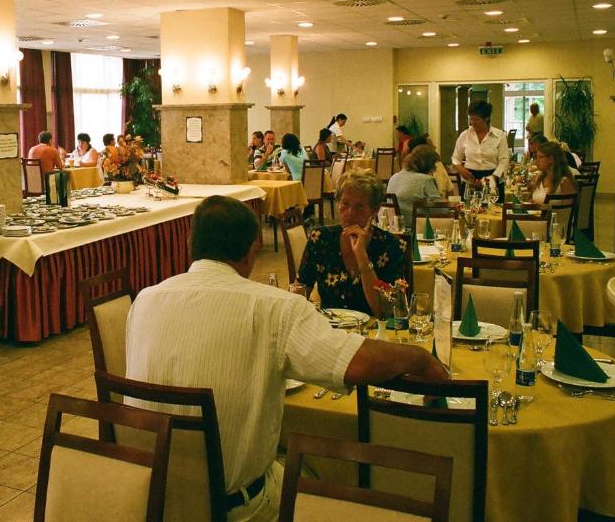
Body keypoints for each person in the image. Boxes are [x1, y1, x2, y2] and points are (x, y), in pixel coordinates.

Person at [126, 196, 447, 522]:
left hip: (151, 500)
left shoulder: (143, 302)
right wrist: (421, 359)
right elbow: (357, 362)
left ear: (190, 243)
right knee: (327, 476)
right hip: (236, 510)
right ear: (251, 250)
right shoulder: (275, 308)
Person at [298, 169, 407, 316]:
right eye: (345, 204)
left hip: (373, 329)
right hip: (329, 327)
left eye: (359, 206)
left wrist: (361, 256)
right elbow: (301, 291)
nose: (350, 213)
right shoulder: (320, 239)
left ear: (375, 210)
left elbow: (385, 312)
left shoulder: (392, 246)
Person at [451, 100, 509, 199]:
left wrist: (493, 177)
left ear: (487, 118)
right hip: (470, 179)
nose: (472, 123)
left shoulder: (499, 136)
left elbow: (504, 160)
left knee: (494, 208)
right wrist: (462, 170)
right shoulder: (465, 135)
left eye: (476, 119)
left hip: (493, 177)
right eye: (471, 119)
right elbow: (455, 158)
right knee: (470, 207)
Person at [387, 145, 442, 229]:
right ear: (428, 164)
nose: (435, 167)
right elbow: (439, 210)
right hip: (418, 229)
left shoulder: (393, 177)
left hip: (394, 228)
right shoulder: (426, 180)